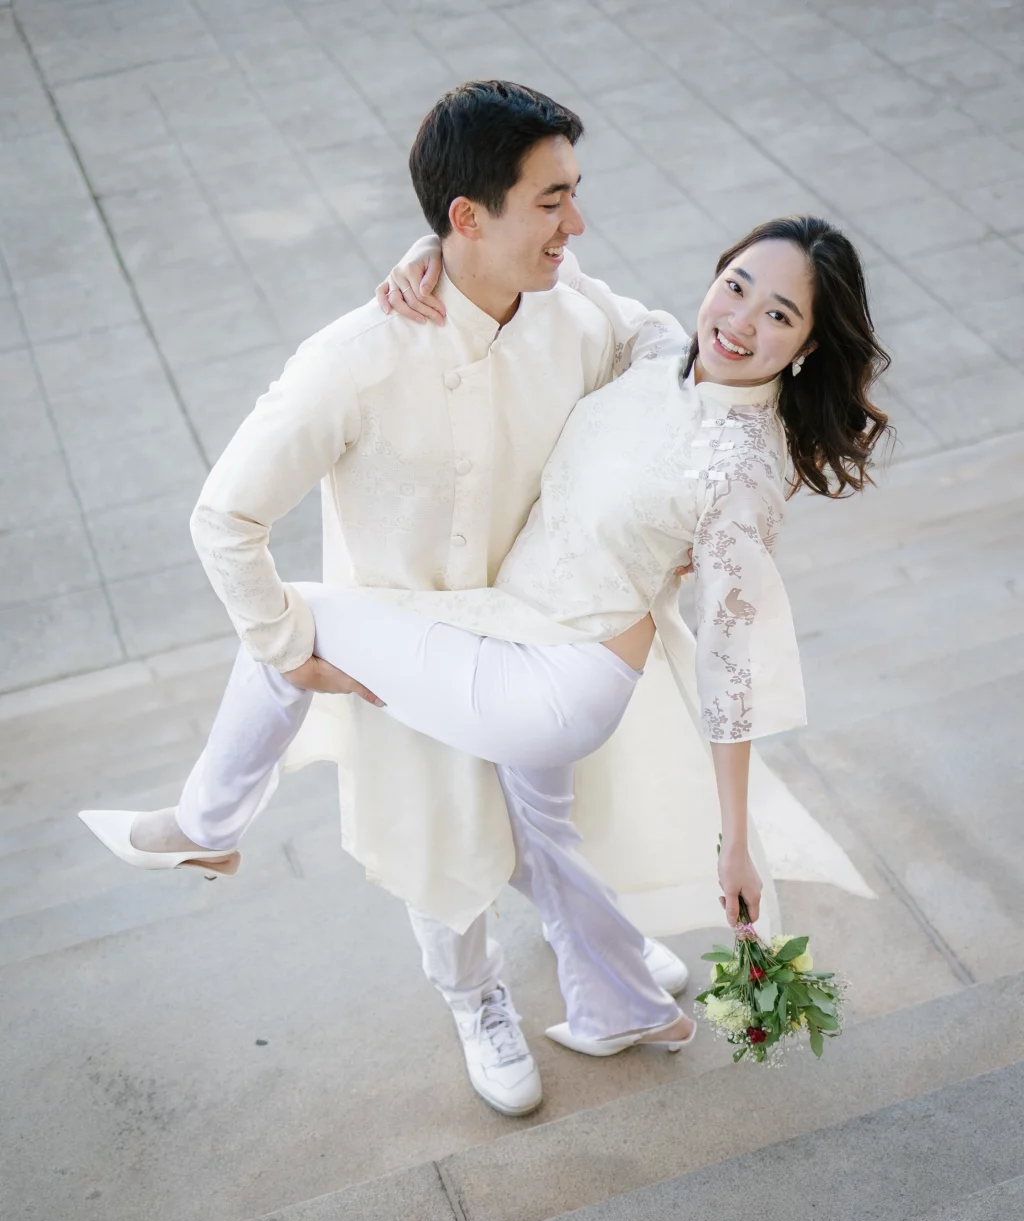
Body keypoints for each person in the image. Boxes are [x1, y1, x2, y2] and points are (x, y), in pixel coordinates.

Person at [80, 84, 890, 1117]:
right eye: (735, 285)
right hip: (510, 631)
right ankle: (619, 996)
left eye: (780, 314)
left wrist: (734, 837)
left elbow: (736, 660)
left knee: (301, 623)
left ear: (811, 342)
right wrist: (430, 259)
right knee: (519, 834)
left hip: (554, 670)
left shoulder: (736, 458)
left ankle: (205, 821)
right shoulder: (645, 348)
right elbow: (622, 313)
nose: (740, 320)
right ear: (468, 218)